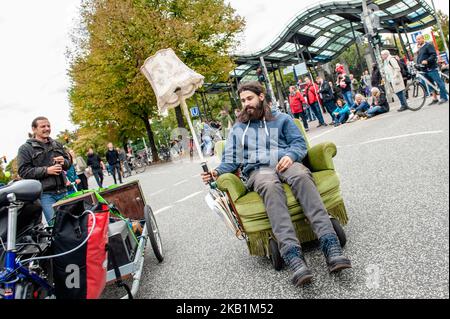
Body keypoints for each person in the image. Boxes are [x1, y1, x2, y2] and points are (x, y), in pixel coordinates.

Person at [201, 81, 351, 287]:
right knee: (269, 185)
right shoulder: (238, 129)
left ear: (261, 96)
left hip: (287, 163)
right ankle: (293, 257)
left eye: (250, 98)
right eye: (243, 100)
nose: (246, 104)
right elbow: (230, 160)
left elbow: (298, 143)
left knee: (300, 175)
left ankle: (330, 244)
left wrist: (291, 155)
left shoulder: (282, 119)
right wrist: (216, 172)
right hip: (259, 170)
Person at [17, 116, 70, 224]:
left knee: (71, 223)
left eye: (48, 126)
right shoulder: (25, 148)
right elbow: (23, 171)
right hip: (46, 195)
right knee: (56, 227)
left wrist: (64, 162)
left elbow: (68, 164)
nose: (47, 128)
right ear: (34, 129)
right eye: (43, 126)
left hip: (64, 191)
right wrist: (46, 170)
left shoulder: (57, 144)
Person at [416, 34, 448, 104]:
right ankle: (435, 98)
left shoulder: (428, 45)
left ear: (423, 38)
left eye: (419, 39)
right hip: (424, 69)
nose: (417, 41)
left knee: (439, 82)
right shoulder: (420, 48)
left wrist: (427, 60)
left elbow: (433, 55)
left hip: (431, 68)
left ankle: (444, 97)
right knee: (430, 84)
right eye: (417, 40)